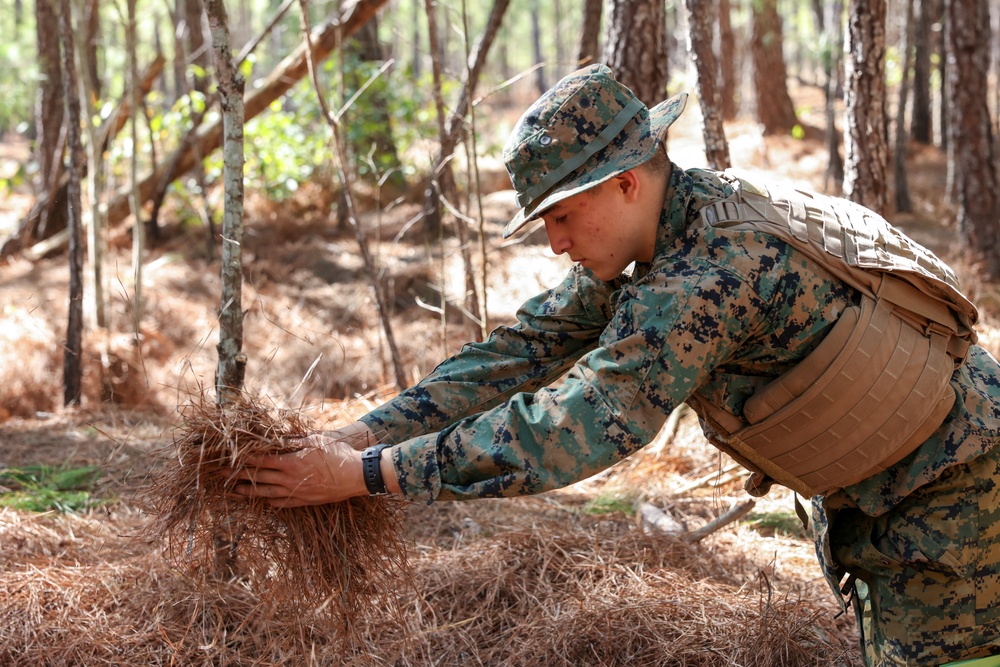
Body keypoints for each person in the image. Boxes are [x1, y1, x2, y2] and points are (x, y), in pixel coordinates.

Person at [232, 64, 1000, 666]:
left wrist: (369, 475)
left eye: (562, 216)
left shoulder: (704, 277)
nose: (555, 243)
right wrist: (360, 433)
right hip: (900, 495)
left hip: (956, 497)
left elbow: (570, 428)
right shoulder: (674, 223)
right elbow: (519, 352)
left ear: (626, 181)